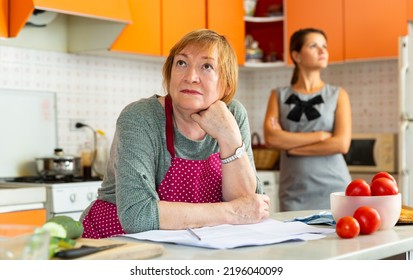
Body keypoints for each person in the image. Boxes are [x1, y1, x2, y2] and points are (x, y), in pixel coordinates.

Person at [80, 29, 270, 238]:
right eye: (181, 63)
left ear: (226, 84)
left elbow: (250, 204)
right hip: (117, 243)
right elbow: (138, 215)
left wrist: (229, 137)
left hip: (190, 242)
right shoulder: (140, 117)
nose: (190, 77)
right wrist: (232, 212)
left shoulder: (233, 114)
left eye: (207, 66)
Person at [263, 28, 352, 211]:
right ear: (296, 55)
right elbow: (272, 139)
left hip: (335, 189)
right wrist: (320, 136)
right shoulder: (278, 96)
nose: (322, 51)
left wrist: (291, 147)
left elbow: (341, 144)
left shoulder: (338, 95)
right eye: (313, 46)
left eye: (324, 46)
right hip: (293, 192)